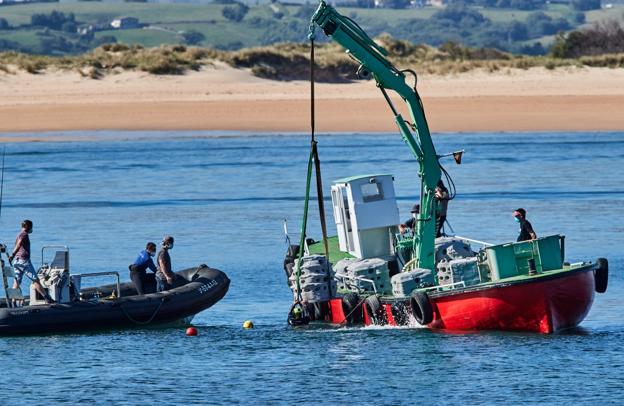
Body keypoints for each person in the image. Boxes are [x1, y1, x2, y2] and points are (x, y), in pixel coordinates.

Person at [8, 220, 53, 305]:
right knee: (35, 280)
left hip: (17, 261)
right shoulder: (24, 235)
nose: (32, 229)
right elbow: (19, 244)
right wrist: (12, 255)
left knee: (16, 282)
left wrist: (13, 256)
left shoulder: (18, 235)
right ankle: (47, 298)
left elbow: (17, 244)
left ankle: (13, 301)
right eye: (31, 227)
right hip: (24, 261)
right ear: (28, 227)